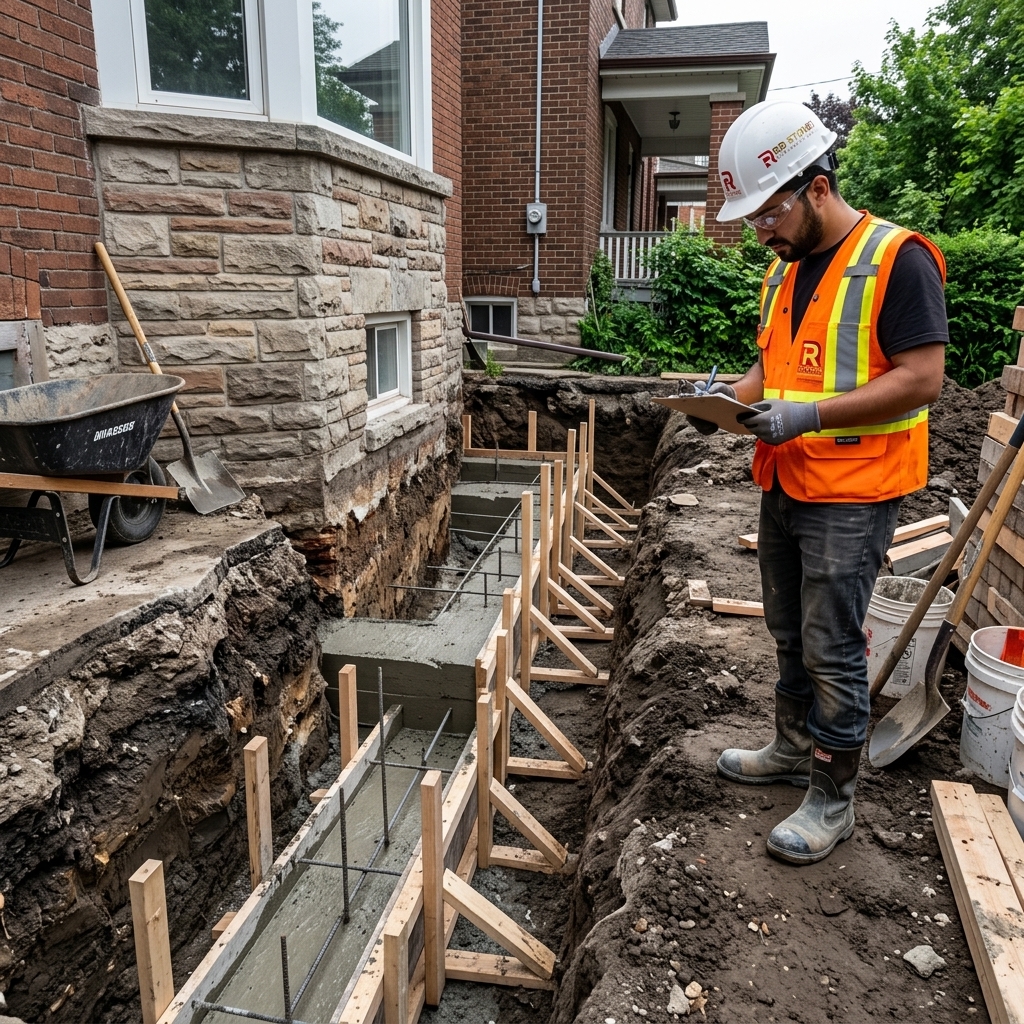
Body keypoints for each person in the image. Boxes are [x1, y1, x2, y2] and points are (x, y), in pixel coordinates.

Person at [690, 100, 948, 865]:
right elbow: (769, 370)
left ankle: (833, 794)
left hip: (855, 488)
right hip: (786, 479)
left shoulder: (897, 259)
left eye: (767, 214)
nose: (760, 231)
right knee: (788, 630)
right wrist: (718, 403)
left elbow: (924, 378)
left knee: (833, 644)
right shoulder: (784, 270)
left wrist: (808, 415)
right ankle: (791, 745)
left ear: (817, 188)